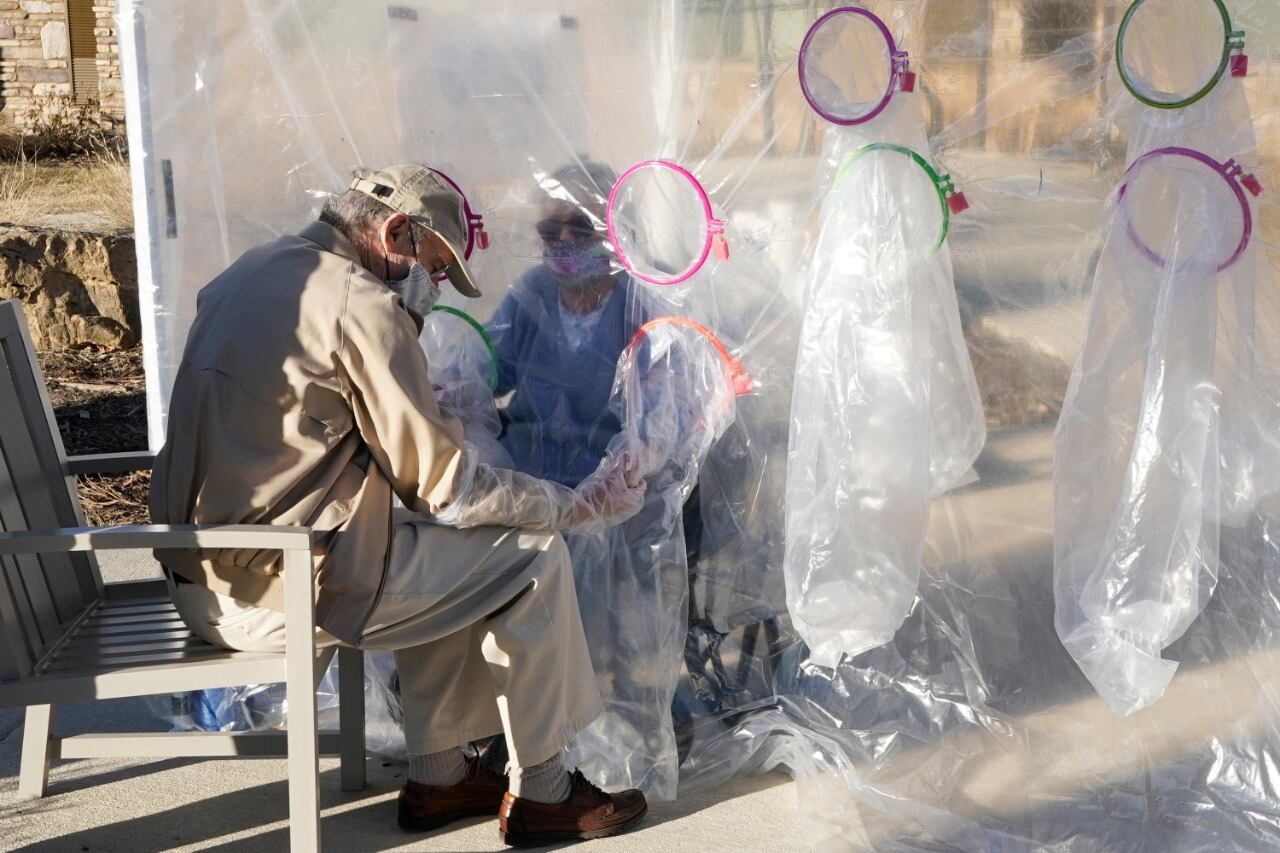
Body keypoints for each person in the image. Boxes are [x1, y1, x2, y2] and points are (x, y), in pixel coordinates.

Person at [149, 164, 650, 845]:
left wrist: (427, 411)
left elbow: (299, 429)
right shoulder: (362, 303)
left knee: (432, 547)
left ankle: (440, 777)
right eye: (434, 266)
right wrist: (574, 504)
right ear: (393, 233)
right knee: (530, 551)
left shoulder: (251, 272)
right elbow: (450, 488)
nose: (432, 287)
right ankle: (546, 791)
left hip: (198, 577)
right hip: (272, 595)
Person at [488, 159, 652, 487]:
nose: (563, 239)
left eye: (580, 225)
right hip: (529, 492)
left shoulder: (647, 300)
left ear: (618, 228)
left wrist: (624, 475)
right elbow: (484, 369)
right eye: (550, 230)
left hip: (615, 495)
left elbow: (665, 422)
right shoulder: (533, 293)